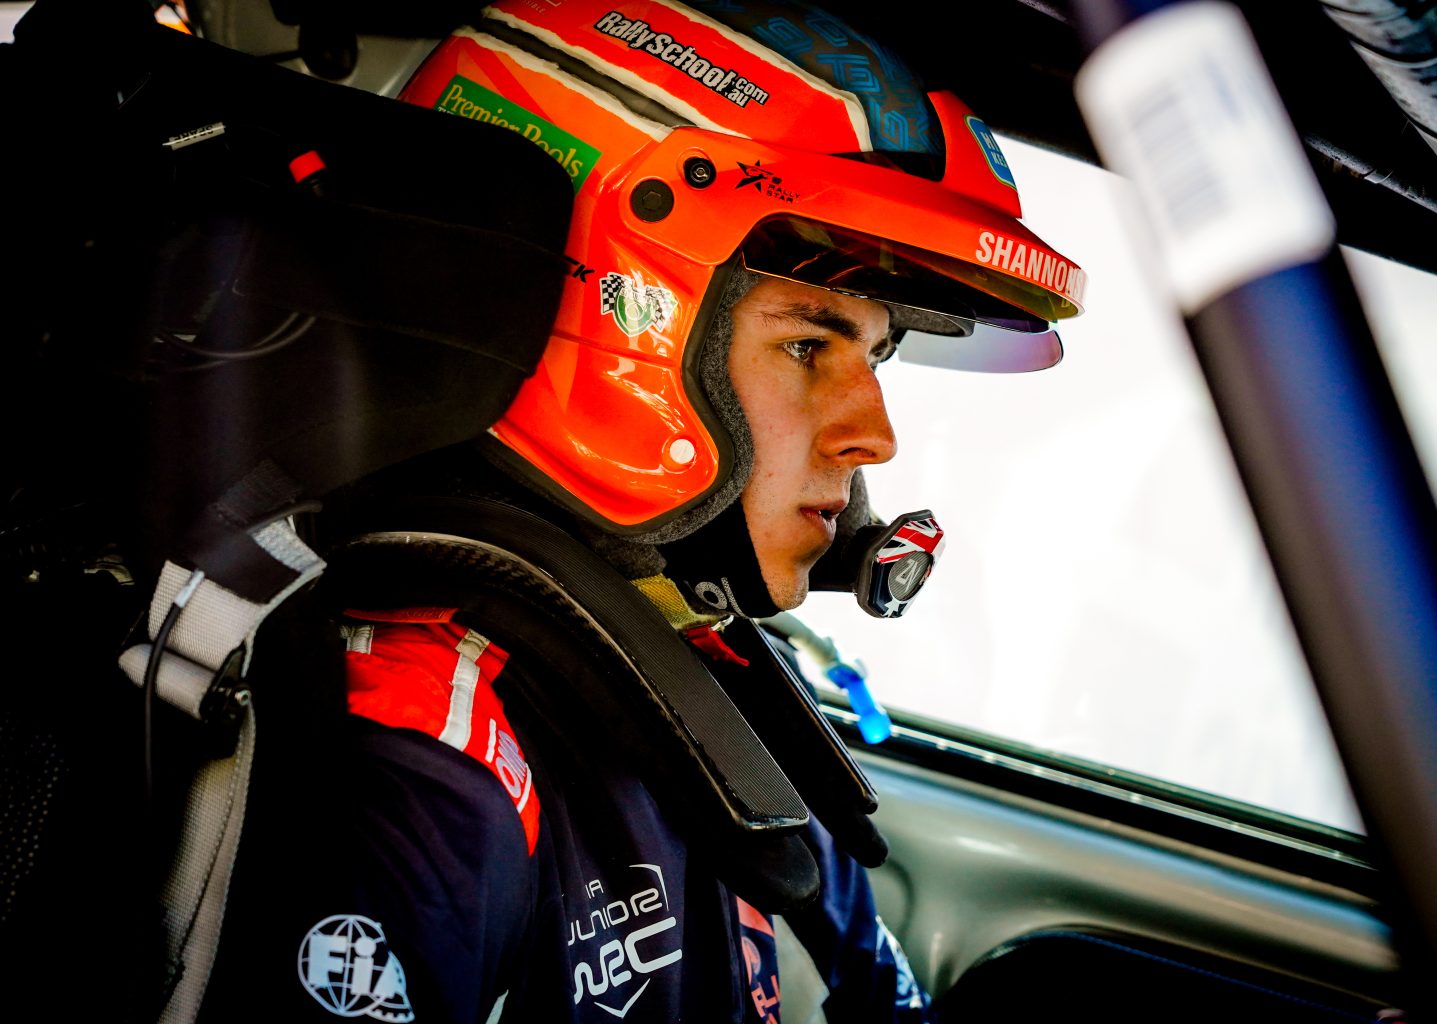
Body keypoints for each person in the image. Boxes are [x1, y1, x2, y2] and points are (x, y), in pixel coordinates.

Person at [198, 1, 1086, 1021]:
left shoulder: (720, 679)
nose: (874, 436)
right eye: (809, 346)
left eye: (875, 358)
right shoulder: (432, 763)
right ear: (602, 313)